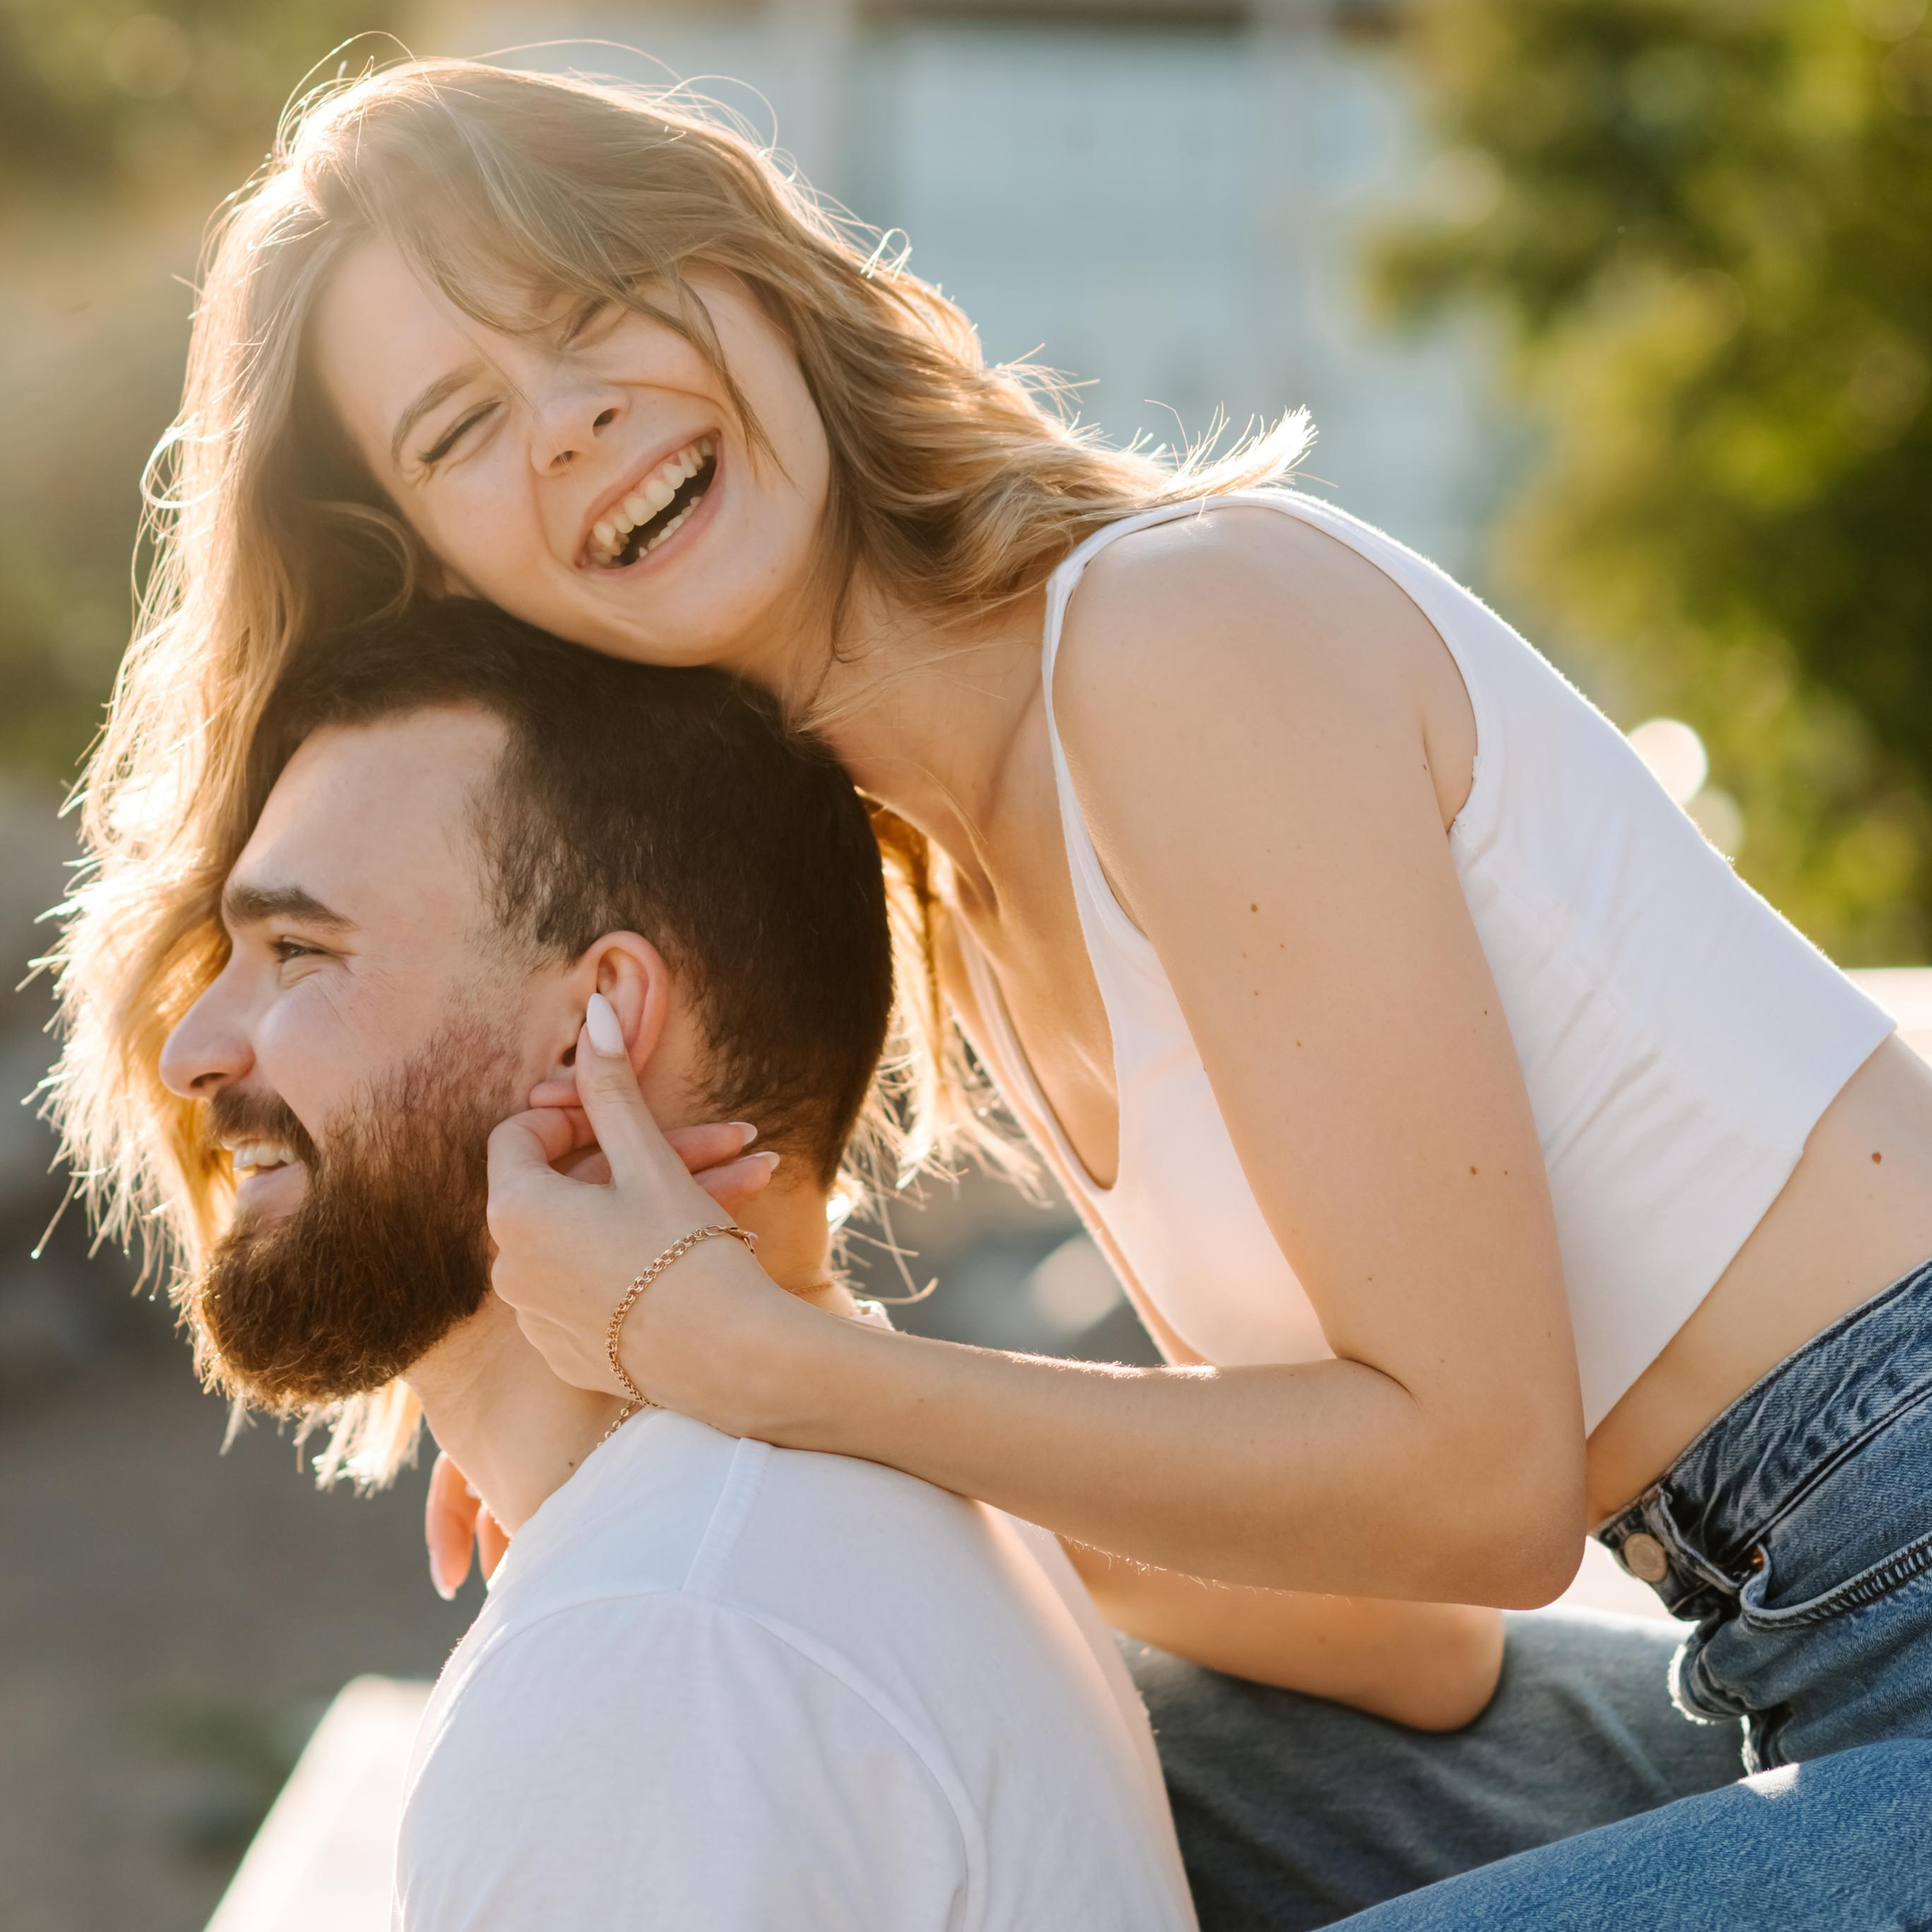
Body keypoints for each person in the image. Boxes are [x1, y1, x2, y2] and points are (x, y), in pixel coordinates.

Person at [54, 57, 1932, 1925]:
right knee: (998, 1759)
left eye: (594, 302)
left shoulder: (1176, 638)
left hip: (1895, 1562)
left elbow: (1485, 1483)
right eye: (459, 426)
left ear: (752, 278)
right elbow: (1408, 1641)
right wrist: (709, 1434)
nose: (564, 419)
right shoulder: (976, 878)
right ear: (436, 562)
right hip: (1787, 1642)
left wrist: (771, 1361)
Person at [152, 598, 1200, 1930]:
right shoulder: (851, 1532)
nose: (192, 1047)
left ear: (599, 1026)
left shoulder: (661, 1648)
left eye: (300, 950)